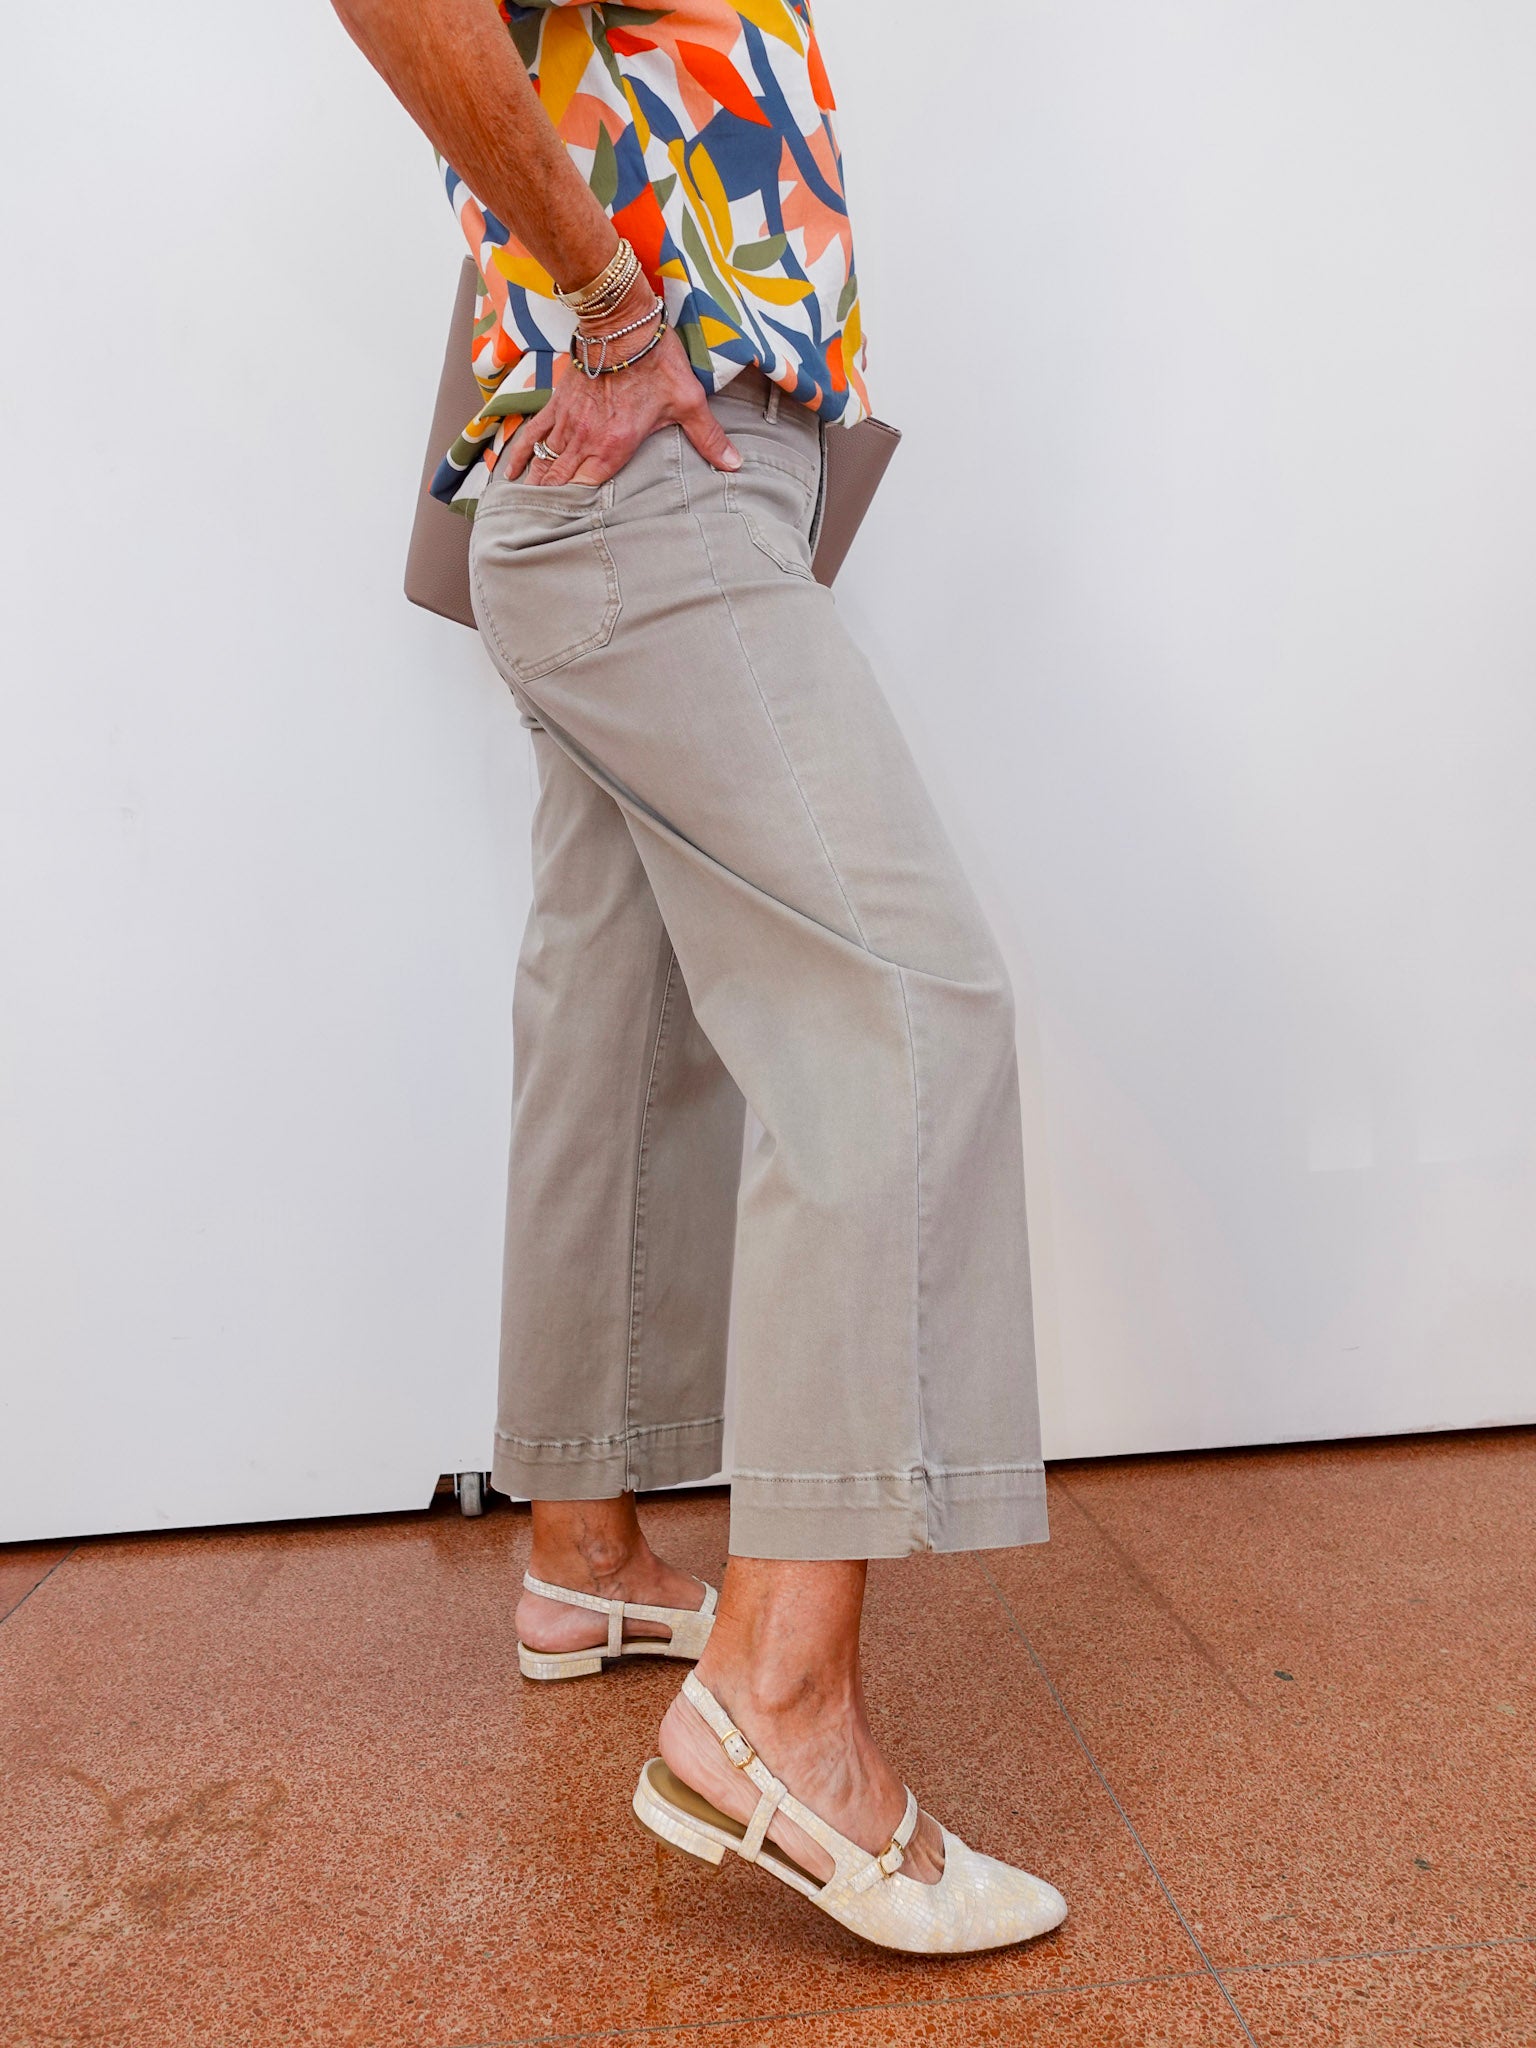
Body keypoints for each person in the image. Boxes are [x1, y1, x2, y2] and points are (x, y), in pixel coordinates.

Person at [332, 0, 1065, 1953]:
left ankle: (583, 1549)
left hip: (613, 464)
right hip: (647, 451)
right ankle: (785, 1704)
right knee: (904, 1003)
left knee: (623, 1002)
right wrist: (614, 302)